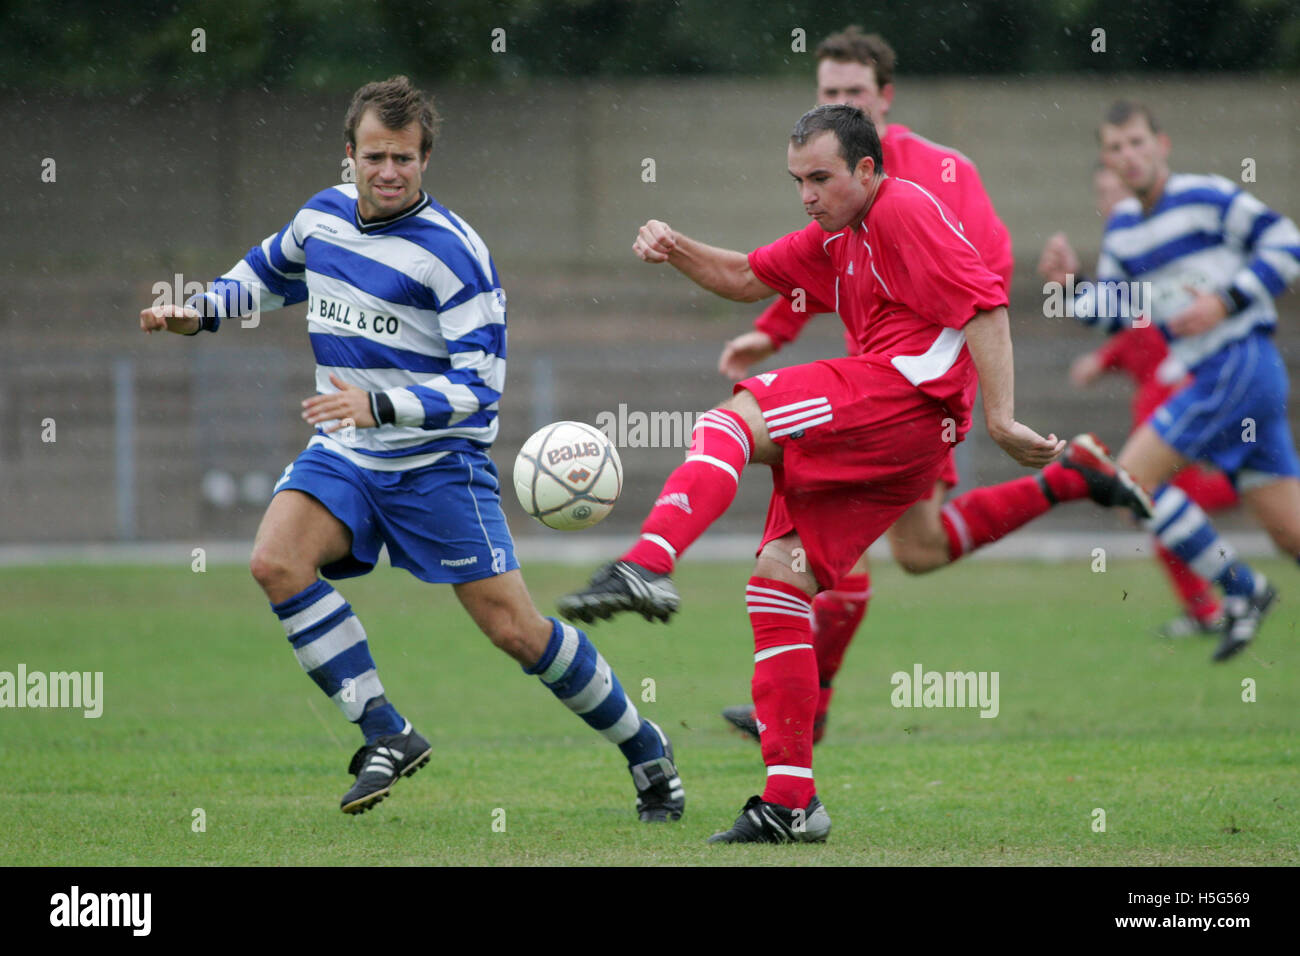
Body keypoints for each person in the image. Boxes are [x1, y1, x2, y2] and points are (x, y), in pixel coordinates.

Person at [138, 76, 684, 822]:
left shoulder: (456, 256)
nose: (387, 171)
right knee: (274, 561)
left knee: (517, 633)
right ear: (350, 157)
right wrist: (198, 311)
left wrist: (380, 402)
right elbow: (268, 272)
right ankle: (386, 731)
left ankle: (645, 746)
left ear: (425, 159)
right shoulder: (322, 218)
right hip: (348, 453)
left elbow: (480, 392)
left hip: (439, 466)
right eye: (374, 156)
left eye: (403, 157)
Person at [560, 104, 1063, 843]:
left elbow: (987, 304)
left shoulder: (901, 208)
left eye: (820, 178)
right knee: (779, 581)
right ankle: (791, 802)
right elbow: (742, 275)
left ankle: (646, 562)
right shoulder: (840, 232)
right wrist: (674, 247)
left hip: (901, 396)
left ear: (866, 168)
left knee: (731, 419)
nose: (806, 194)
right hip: (904, 435)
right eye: (797, 180)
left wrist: (1000, 418)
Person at [717, 27, 1152, 745]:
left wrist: (975, 392)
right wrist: (774, 332)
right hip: (872, 383)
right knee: (919, 550)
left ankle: (806, 711)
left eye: (853, 92)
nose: (839, 101)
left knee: (828, 540)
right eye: (828, 92)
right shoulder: (830, 175)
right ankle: (1071, 477)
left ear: (883, 97)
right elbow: (811, 266)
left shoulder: (939, 174)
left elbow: (985, 276)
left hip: (918, 393)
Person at [1040, 100, 1300, 661]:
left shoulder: (1205, 196)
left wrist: (1225, 301)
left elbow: (1287, 244)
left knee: (1130, 481)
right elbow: (1116, 312)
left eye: (1136, 142)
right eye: (1115, 148)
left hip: (1239, 362)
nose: (1128, 156)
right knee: (1291, 534)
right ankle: (1242, 590)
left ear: (1162, 144)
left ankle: (1244, 590)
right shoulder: (1126, 229)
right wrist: (1068, 283)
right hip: (1222, 377)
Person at [1048, 165, 1238, 639]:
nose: (1110, 199)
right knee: (1153, 506)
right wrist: (1104, 356)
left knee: (1148, 502)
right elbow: (1132, 322)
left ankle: (1225, 596)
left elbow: (1159, 320)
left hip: (1181, 392)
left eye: (1117, 189)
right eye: (1103, 190)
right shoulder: (1126, 251)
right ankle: (1212, 607)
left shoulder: (1159, 244)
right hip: (1156, 397)